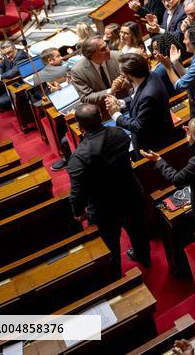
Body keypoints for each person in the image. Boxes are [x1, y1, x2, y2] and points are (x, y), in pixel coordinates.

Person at [67, 103, 151, 276]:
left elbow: (77, 191)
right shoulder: (119, 134)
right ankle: (144, 257)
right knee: (138, 231)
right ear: (100, 118)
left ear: (79, 127)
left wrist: (78, 212)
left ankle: (116, 276)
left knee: (110, 246)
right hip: (130, 194)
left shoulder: (78, 157)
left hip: (103, 208)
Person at [101, 53, 173, 154]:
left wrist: (116, 115)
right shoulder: (150, 75)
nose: (121, 75)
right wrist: (121, 103)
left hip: (153, 146)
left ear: (129, 75)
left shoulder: (148, 96)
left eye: (122, 73)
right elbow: (138, 96)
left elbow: (139, 126)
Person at [70, 35, 128, 109]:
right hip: (104, 111)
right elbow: (85, 97)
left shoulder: (118, 56)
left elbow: (132, 78)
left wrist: (126, 81)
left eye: (106, 46)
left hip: (126, 102)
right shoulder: (77, 71)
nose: (108, 50)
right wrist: (111, 91)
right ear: (90, 55)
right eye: (103, 49)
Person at [0, 41, 28, 112]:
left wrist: (0, 77)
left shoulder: (22, 56)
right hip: (12, 85)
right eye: (4, 55)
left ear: (15, 49)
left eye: (9, 53)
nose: (7, 57)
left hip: (23, 88)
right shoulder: (7, 56)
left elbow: (12, 73)